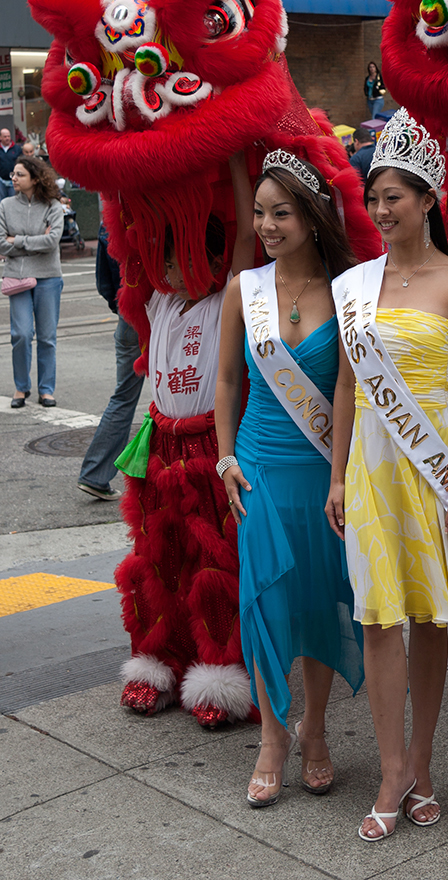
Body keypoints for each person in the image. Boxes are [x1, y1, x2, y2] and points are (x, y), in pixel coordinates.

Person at [326, 107, 448, 841]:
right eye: (373, 198)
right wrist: (338, 476)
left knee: (428, 616)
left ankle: (422, 762)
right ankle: (391, 767)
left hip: (433, 466)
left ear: (429, 199)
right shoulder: (354, 284)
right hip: (371, 463)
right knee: (377, 615)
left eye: (394, 196)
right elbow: (343, 384)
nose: (381, 210)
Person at [215, 150, 364, 807]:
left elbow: (349, 389)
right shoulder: (242, 290)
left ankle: (316, 730)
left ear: (311, 216)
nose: (266, 226)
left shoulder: (346, 291)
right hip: (259, 468)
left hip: (323, 469)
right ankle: (273, 736)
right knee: (267, 600)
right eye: (259, 213)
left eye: (280, 213)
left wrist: (341, 475)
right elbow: (226, 381)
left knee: (319, 600)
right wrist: (226, 459)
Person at [115, 154, 258, 728]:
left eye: (182, 260)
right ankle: (158, 662)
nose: (170, 270)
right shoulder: (160, 301)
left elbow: (245, 234)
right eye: (167, 260)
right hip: (159, 449)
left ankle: (219, 673)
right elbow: (131, 231)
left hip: (209, 449)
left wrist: (233, 158)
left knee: (215, 562)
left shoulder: (231, 300)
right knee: (158, 560)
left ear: (215, 261)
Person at [77, 224, 144, 501]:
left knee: (123, 396)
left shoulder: (110, 223)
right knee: (179, 396)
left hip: (128, 315)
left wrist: (121, 308)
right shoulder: (156, 212)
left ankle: (95, 474)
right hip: (165, 311)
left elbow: (104, 283)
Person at [0, 156, 64, 407]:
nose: (13, 178)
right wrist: (35, 241)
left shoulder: (53, 206)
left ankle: (46, 390)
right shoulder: (5, 205)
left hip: (48, 275)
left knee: (47, 337)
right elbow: (0, 243)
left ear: (35, 179)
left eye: (20, 175)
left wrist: (16, 240)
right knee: (21, 334)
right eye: (13, 174)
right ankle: (21, 388)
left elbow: (52, 241)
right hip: (16, 277)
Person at [0, 127, 21, 200]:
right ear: (0, 137)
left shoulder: (17, 149)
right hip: (1, 180)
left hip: (13, 180)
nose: (7, 138)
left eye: (8, 136)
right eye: (5, 136)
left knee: (13, 200)